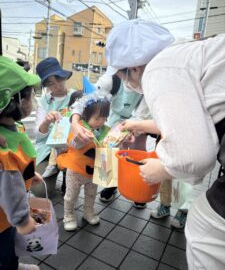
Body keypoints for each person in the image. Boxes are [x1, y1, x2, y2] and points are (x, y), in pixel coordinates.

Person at [104, 18, 225, 269]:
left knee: (205, 226)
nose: (126, 82)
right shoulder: (184, 56)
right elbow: (190, 120)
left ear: (134, 67)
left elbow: (194, 155)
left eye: (121, 75)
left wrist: (160, 168)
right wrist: (135, 125)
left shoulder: (159, 68)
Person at [71, 70, 152, 208]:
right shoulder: (111, 80)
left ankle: (138, 187)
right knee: (111, 150)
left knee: (137, 151)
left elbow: (141, 115)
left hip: (138, 120)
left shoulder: (149, 81)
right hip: (112, 117)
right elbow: (86, 99)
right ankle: (112, 183)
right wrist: (74, 122)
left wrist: (130, 130)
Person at [0, 56, 43, 270]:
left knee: (10, 247)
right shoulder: (3, 150)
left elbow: (14, 172)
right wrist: (23, 221)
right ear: (13, 100)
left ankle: (13, 265)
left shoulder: (9, 129)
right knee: (4, 251)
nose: (33, 100)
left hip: (5, 217)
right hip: (2, 220)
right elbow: (9, 190)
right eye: (30, 95)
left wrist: (28, 174)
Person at [122, 119, 191, 229]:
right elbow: (162, 122)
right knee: (164, 178)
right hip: (163, 145)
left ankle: (183, 210)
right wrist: (138, 127)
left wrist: (137, 125)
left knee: (182, 181)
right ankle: (165, 205)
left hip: (184, 147)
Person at [57, 91, 110, 231]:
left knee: (91, 193)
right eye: (97, 118)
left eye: (104, 118)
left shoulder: (104, 130)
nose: (101, 121)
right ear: (86, 115)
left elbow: (108, 147)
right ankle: (68, 215)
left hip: (94, 170)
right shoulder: (78, 127)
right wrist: (80, 139)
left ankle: (88, 212)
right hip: (76, 169)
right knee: (71, 195)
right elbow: (72, 145)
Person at [31, 57, 74, 197]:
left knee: (73, 187)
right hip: (48, 149)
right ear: (46, 86)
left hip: (72, 147)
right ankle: (55, 170)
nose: (57, 86)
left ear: (64, 77)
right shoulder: (43, 102)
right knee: (39, 190)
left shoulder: (76, 96)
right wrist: (46, 121)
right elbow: (38, 134)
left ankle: (67, 176)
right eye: (51, 83)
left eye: (59, 80)